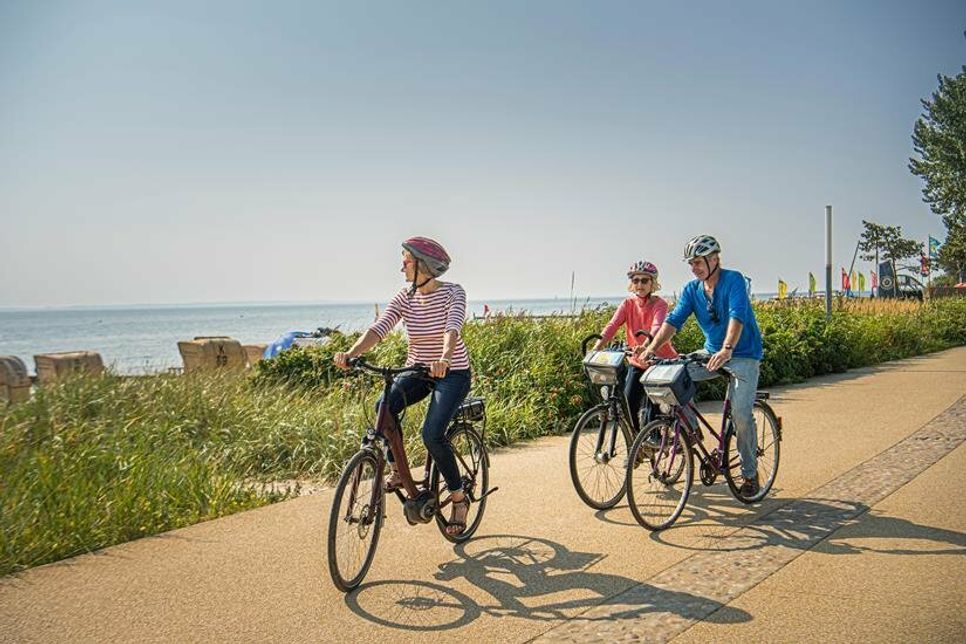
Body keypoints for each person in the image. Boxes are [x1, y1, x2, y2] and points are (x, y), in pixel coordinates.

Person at [334, 236, 472, 536]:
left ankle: (459, 497)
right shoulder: (404, 296)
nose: (402, 268)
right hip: (417, 370)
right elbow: (379, 328)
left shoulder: (453, 293)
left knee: (432, 435)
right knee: (383, 407)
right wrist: (352, 353)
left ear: (423, 265)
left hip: (452, 373)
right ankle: (398, 471)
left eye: (406, 261)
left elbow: (452, 328)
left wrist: (444, 358)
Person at [638, 235, 764, 497]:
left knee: (740, 415)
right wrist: (650, 349)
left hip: (743, 355)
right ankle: (692, 429)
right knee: (672, 377)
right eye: (691, 264)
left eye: (697, 262)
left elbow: (736, 316)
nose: (694, 268)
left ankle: (750, 475)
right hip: (710, 353)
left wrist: (727, 349)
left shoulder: (734, 280)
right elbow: (673, 321)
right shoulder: (691, 290)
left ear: (714, 259)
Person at [590, 260, 678, 433]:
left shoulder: (660, 304)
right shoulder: (627, 304)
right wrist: (596, 348)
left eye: (644, 280)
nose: (640, 284)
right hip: (637, 361)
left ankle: (656, 439)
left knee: (655, 407)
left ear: (653, 283)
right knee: (628, 400)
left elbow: (656, 328)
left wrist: (645, 347)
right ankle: (637, 444)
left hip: (660, 362)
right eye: (636, 280)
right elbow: (612, 326)